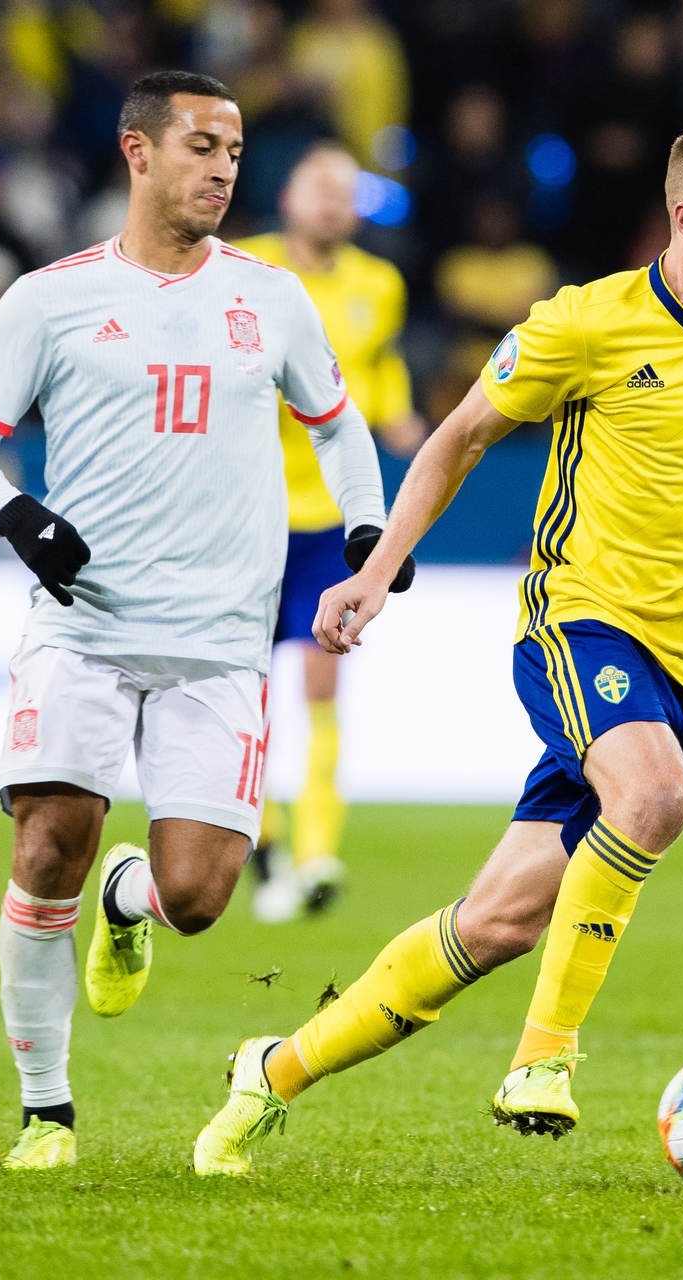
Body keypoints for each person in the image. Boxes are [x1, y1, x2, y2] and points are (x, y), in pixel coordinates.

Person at [192, 111, 683, 1177]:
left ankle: (276, 1067)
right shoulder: (586, 323)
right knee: (659, 798)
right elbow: (460, 436)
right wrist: (373, 569)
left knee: (496, 923)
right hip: (581, 623)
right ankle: (543, 1056)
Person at [0, 70, 408, 1172]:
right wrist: (18, 516)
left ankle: (127, 898)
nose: (224, 166)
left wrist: (367, 529)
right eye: (202, 145)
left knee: (197, 894)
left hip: (219, 640)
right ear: (137, 153)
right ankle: (45, 1112)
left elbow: (339, 426)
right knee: (49, 838)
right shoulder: (50, 297)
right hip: (81, 625)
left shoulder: (273, 296)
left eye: (235, 149)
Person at [233, 143, 427, 923]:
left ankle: (316, 852)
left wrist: (397, 414)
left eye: (346, 193)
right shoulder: (240, 270)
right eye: (320, 188)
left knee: (322, 680)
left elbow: (377, 367)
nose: (333, 204)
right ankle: (263, 838)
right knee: (243, 691)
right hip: (244, 516)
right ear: (288, 197)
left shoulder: (380, 286)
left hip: (328, 523)